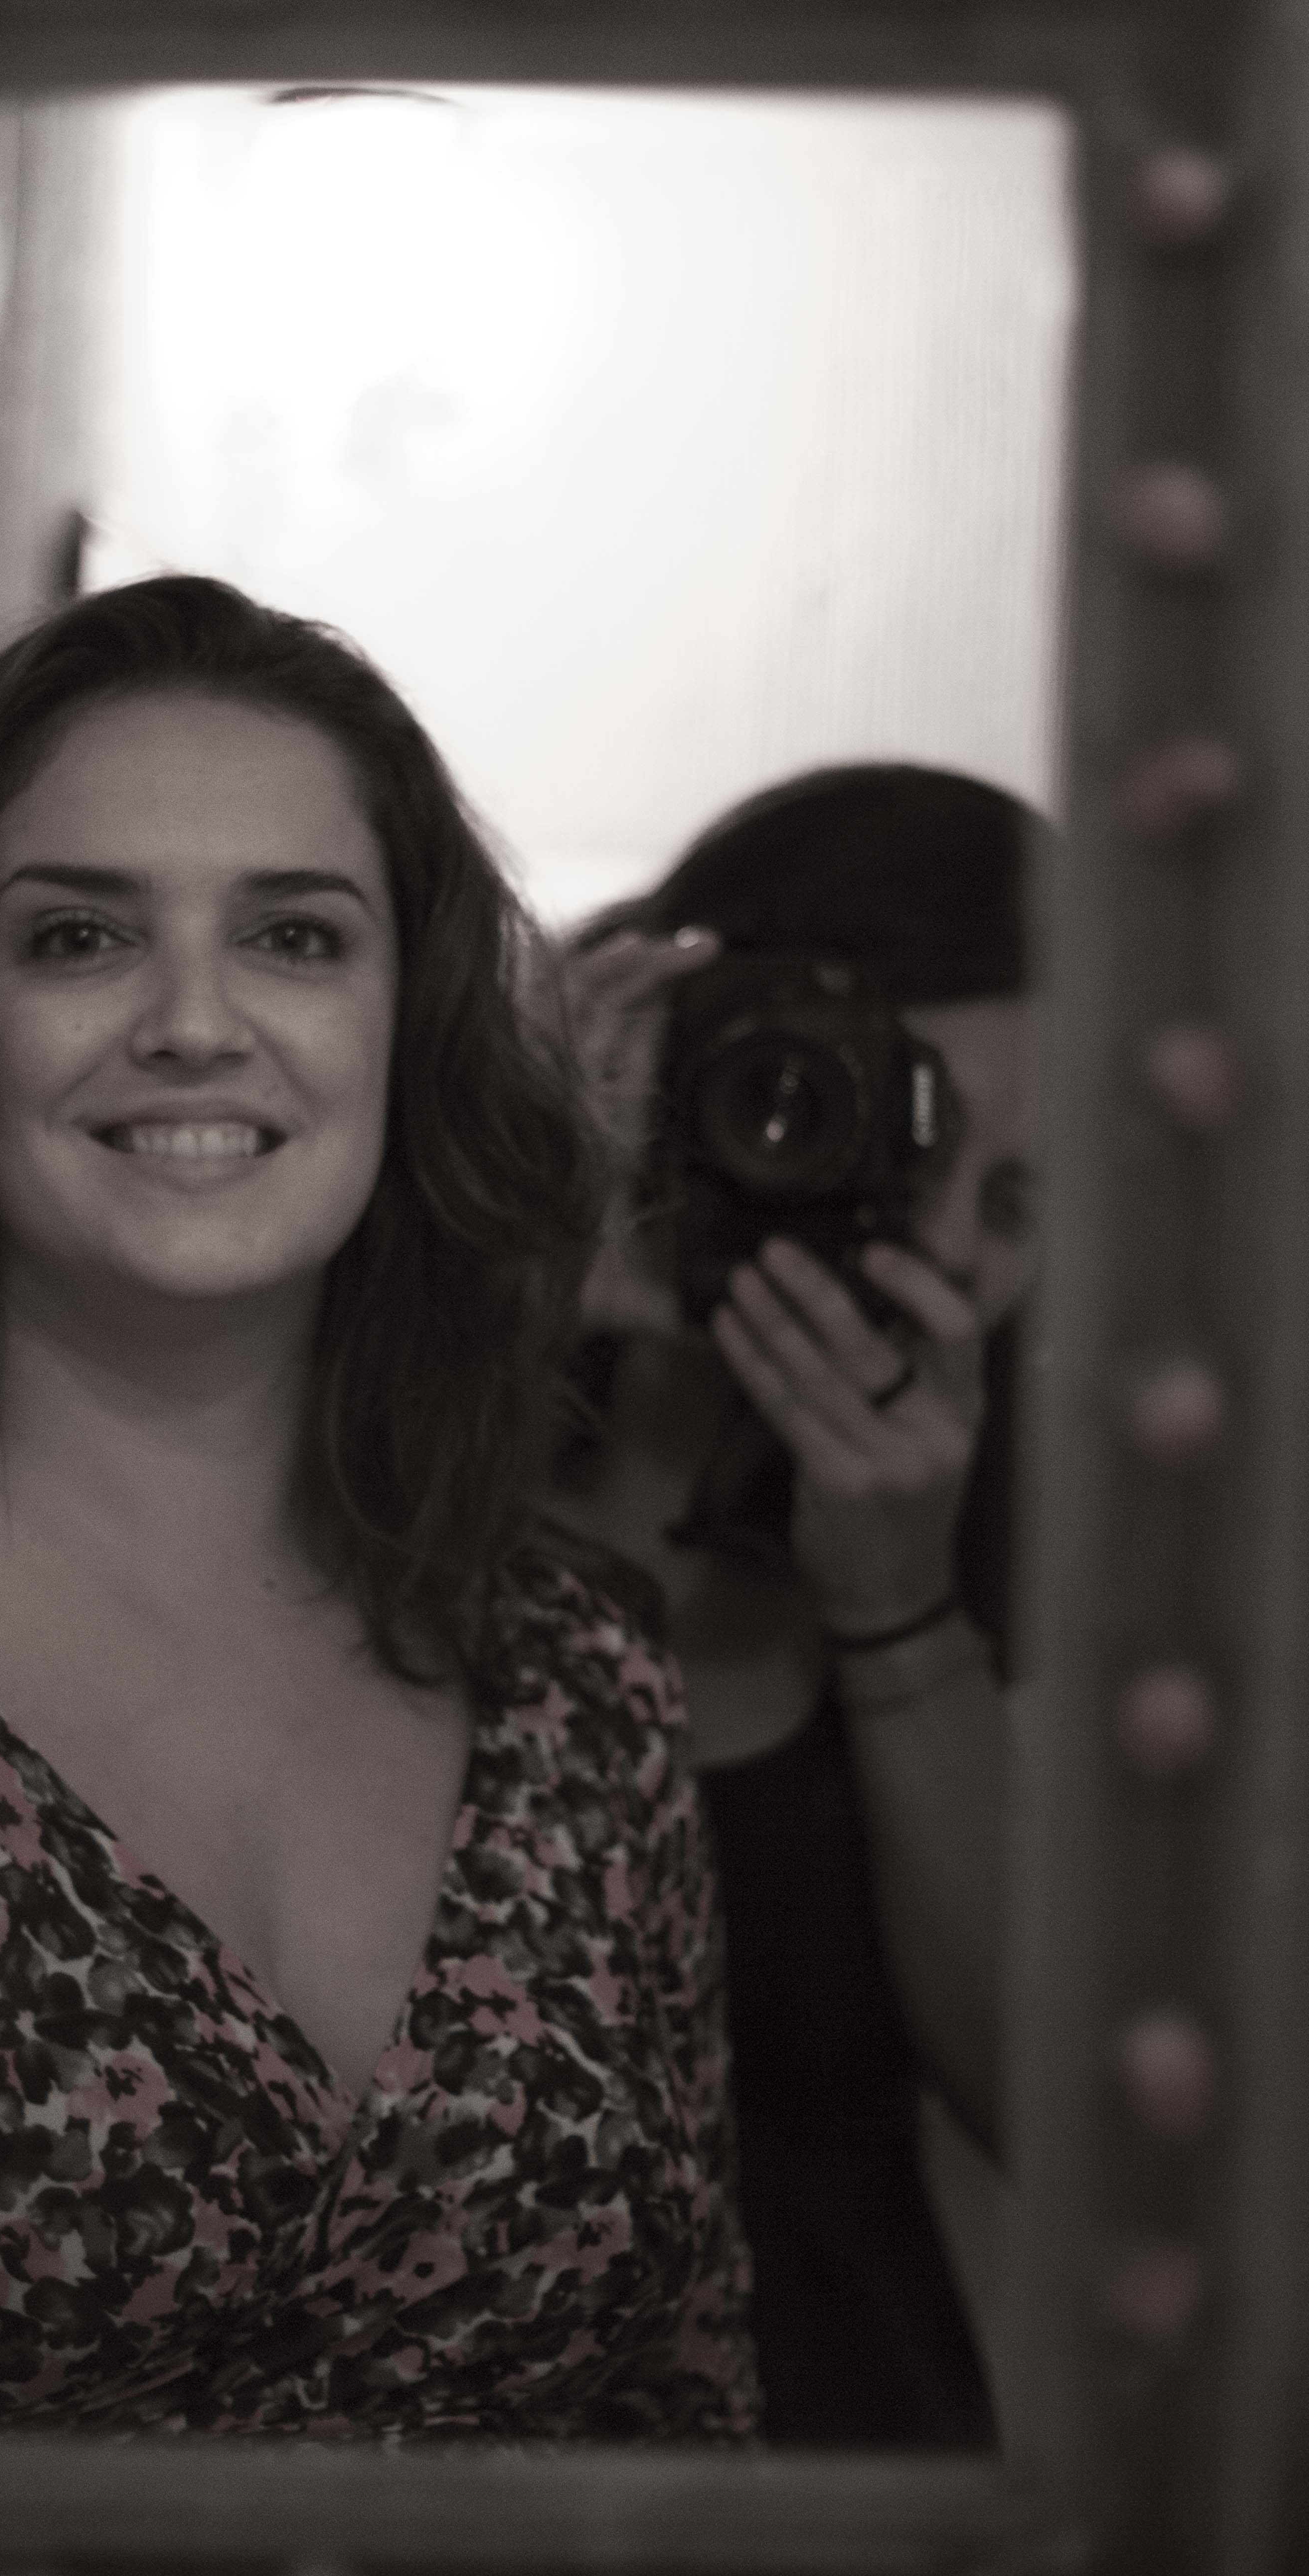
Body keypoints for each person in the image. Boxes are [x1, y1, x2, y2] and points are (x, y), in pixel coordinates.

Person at [0, 575, 758, 2441]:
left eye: (296, 936)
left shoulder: (580, 1674)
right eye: (80, 937)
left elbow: (686, 2421)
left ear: (408, 1023)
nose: (197, 1022)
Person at [550, 764, 1036, 2448]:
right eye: (897, 1135)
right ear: (677, 1061)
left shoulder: (1027, 1499)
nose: (952, 1251)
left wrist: (902, 1615)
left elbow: (1054, 2116)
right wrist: (473, 1298)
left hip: (855, 2466)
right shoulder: (384, 1388)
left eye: (1022, 1204)